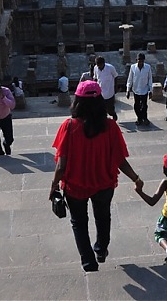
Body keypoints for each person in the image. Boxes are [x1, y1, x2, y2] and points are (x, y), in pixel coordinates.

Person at [50, 81, 143, 272]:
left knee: (79, 222)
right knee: (103, 217)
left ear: (78, 102)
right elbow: (120, 160)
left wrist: (53, 186)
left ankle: (88, 262)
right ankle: (101, 249)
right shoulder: (110, 127)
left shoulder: (68, 126)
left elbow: (61, 165)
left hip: (75, 186)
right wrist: (135, 178)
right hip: (103, 184)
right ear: (101, 102)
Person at [126, 53, 153, 125]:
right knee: (136, 106)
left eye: (142, 61)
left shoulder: (148, 67)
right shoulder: (133, 67)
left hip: (144, 89)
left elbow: (150, 79)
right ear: (136, 60)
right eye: (139, 60)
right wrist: (128, 90)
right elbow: (130, 79)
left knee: (144, 105)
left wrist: (151, 90)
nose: (140, 62)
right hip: (136, 90)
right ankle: (139, 118)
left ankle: (145, 118)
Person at [93, 56, 119, 121]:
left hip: (109, 92)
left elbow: (116, 76)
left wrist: (115, 87)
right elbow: (95, 78)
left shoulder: (110, 68)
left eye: (100, 65)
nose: (99, 67)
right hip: (100, 92)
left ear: (103, 63)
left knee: (110, 109)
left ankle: (113, 114)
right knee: (100, 109)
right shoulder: (95, 68)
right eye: (97, 65)